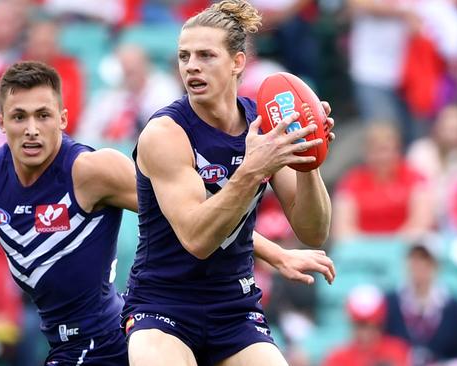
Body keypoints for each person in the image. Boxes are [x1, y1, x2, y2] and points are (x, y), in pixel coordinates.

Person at [0, 60, 336, 365]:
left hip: (111, 339)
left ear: (63, 118)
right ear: (1, 123)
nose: (32, 128)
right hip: (64, 343)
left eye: (43, 115)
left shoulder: (94, 170)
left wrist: (277, 254)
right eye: (19, 117)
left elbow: (191, 214)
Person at [122, 1, 335, 365]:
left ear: (238, 62)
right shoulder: (166, 134)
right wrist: (251, 170)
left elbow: (313, 231)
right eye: (184, 56)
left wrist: (308, 156)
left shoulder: (264, 126)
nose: (191, 66)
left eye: (206, 55)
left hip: (233, 307)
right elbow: (197, 239)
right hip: (163, 307)